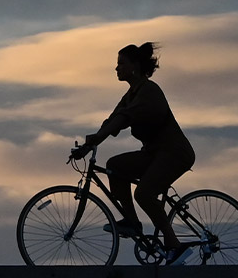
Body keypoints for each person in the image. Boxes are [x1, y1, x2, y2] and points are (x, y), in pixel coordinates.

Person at [70, 41, 194, 253]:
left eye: (121, 63)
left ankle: (173, 242)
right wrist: (87, 147)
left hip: (175, 153)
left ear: (134, 65)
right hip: (154, 153)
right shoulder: (130, 95)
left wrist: (98, 137)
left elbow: (124, 117)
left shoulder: (149, 91)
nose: (116, 68)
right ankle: (131, 222)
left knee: (144, 194)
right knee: (115, 166)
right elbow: (112, 120)